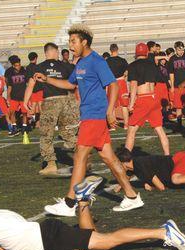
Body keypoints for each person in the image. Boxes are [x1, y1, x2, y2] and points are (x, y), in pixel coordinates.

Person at [34, 25, 144, 215]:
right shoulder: (80, 63)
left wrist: (110, 111)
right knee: (108, 157)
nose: (70, 45)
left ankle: (70, 203)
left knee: (80, 155)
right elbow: (69, 84)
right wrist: (47, 80)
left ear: (84, 42)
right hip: (90, 115)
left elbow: (113, 85)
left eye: (73, 41)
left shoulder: (96, 61)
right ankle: (132, 196)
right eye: (70, 41)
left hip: (95, 115)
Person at [0, 183, 185, 250]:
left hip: (50, 239)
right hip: (48, 233)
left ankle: (163, 232)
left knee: (105, 242)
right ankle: (83, 202)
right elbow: (7, 245)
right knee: (92, 236)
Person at [23, 43, 79, 176]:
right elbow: (75, 83)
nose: (58, 54)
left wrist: (26, 102)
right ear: (53, 52)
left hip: (49, 102)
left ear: (45, 53)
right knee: (68, 133)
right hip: (66, 101)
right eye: (57, 51)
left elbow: (31, 85)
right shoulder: (65, 65)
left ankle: (51, 164)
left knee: (46, 134)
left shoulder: (39, 67)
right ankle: (82, 157)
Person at [125, 43, 170, 155]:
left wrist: (131, 104)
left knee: (131, 130)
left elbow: (134, 84)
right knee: (159, 129)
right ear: (146, 52)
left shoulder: (133, 65)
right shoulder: (152, 64)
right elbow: (160, 80)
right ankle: (167, 156)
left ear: (136, 53)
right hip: (153, 97)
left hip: (143, 98)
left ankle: (126, 158)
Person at [168, 41, 185, 130]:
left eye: (182, 50)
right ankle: (179, 125)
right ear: (175, 49)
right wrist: (172, 86)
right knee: (178, 106)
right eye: (179, 50)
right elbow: (171, 73)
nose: (181, 52)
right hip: (177, 86)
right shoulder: (172, 59)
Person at [106, 43, 129, 129]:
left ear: (110, 50)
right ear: (117, 49)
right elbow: (127, 71)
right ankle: (126, 125)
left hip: (112, 83)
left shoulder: (107, 61)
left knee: (112, 105)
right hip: (121, 82)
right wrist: (124, 77)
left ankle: (113, 126)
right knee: (124, 105)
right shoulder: (122, 60)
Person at [6, 56, 28, 135]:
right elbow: (9, 87)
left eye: (19, 65)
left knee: (24, 112)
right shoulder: (10, 73)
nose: (18, 67)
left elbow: (28, 84)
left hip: (23, 96)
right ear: (13, 66)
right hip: (14, 96)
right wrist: (8, 97)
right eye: (17, 65)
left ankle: (24, 127)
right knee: (12, 112)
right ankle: (14, 127)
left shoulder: (24, 71)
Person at [26, 52, 43, 128]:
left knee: (33, 106)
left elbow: (27, 81)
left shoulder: (27, 68)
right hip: (39, 88)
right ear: (36, 58)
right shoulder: (38, 67)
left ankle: (32, 122)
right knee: (40, 106)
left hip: (32, 90)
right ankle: (40, 122)